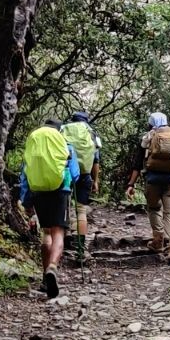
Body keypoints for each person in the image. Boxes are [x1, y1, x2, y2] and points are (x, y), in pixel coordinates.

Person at [19, 118, 80, 298]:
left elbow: (25, 173)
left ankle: (45, 279)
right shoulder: (66, 146)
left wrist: (26, 202)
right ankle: (52, 267)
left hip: (38, 192)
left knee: (46, 233)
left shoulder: (34, 145)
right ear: (58, 131)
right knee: (58, 232)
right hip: (60, 191)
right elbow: (75, 174)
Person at [124, 111, 170, 267]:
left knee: (154, 209)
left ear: (151, 123)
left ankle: (158, 242)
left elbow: (137, 165)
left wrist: (131, 185)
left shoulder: (147, 139)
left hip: (152, 181)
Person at [60, 111, 101, 265]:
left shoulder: (63, 129)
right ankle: (79, 249)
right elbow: (96, 160)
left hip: (65, 173)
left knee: (63, 207)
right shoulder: (91, 133)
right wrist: (95, 180)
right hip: (84, 175)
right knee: (81, 210)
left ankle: (60, 244)